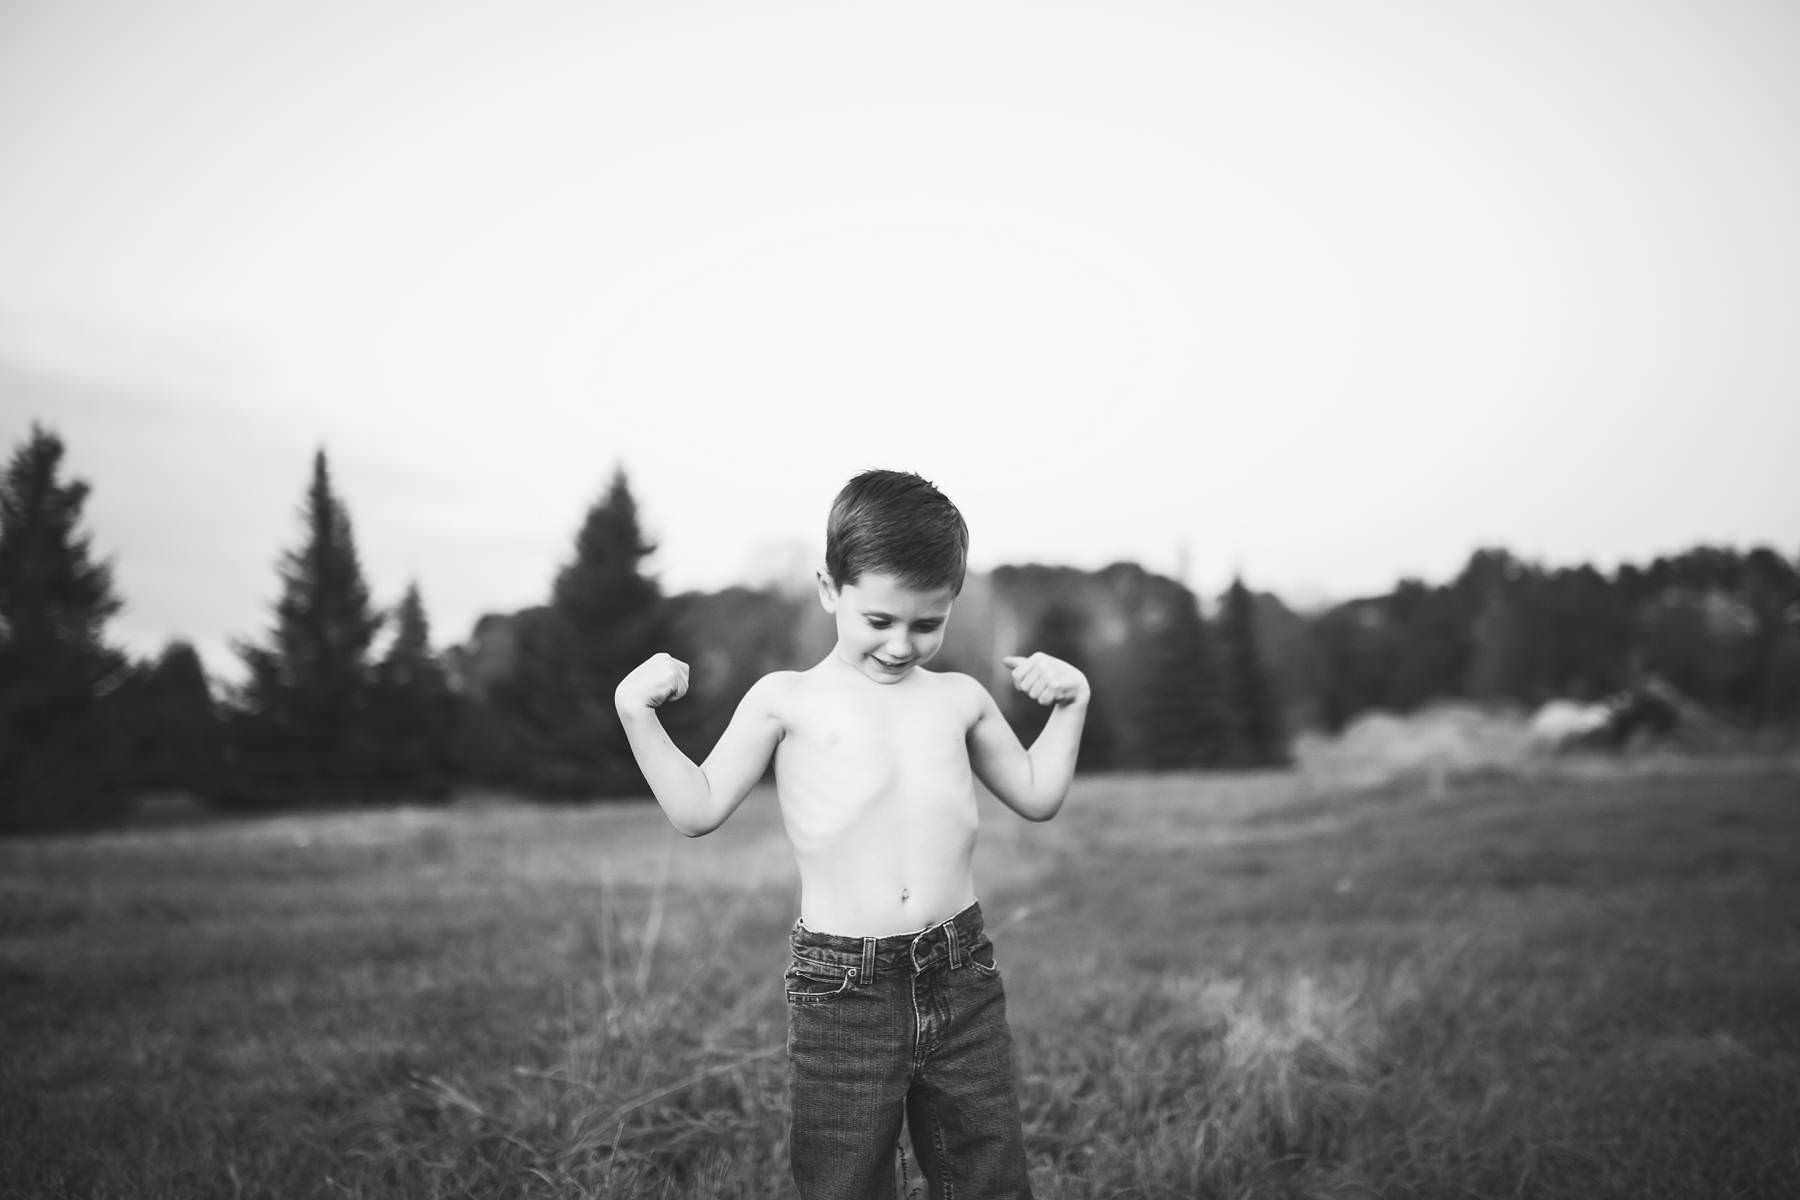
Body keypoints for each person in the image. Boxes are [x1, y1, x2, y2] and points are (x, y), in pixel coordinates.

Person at [614, 468, 1089, 1198]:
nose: (901, 646)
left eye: (926, 624)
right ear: (830, 589)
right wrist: (636, 711)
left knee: (988, 1172)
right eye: (879, 620)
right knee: (844, 1180)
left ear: (951, 606)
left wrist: (1071, 703)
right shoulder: (786, 701)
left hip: (960, 975)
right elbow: (697, 807)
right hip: (843, 992)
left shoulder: (959, 700)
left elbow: (1038, 793)